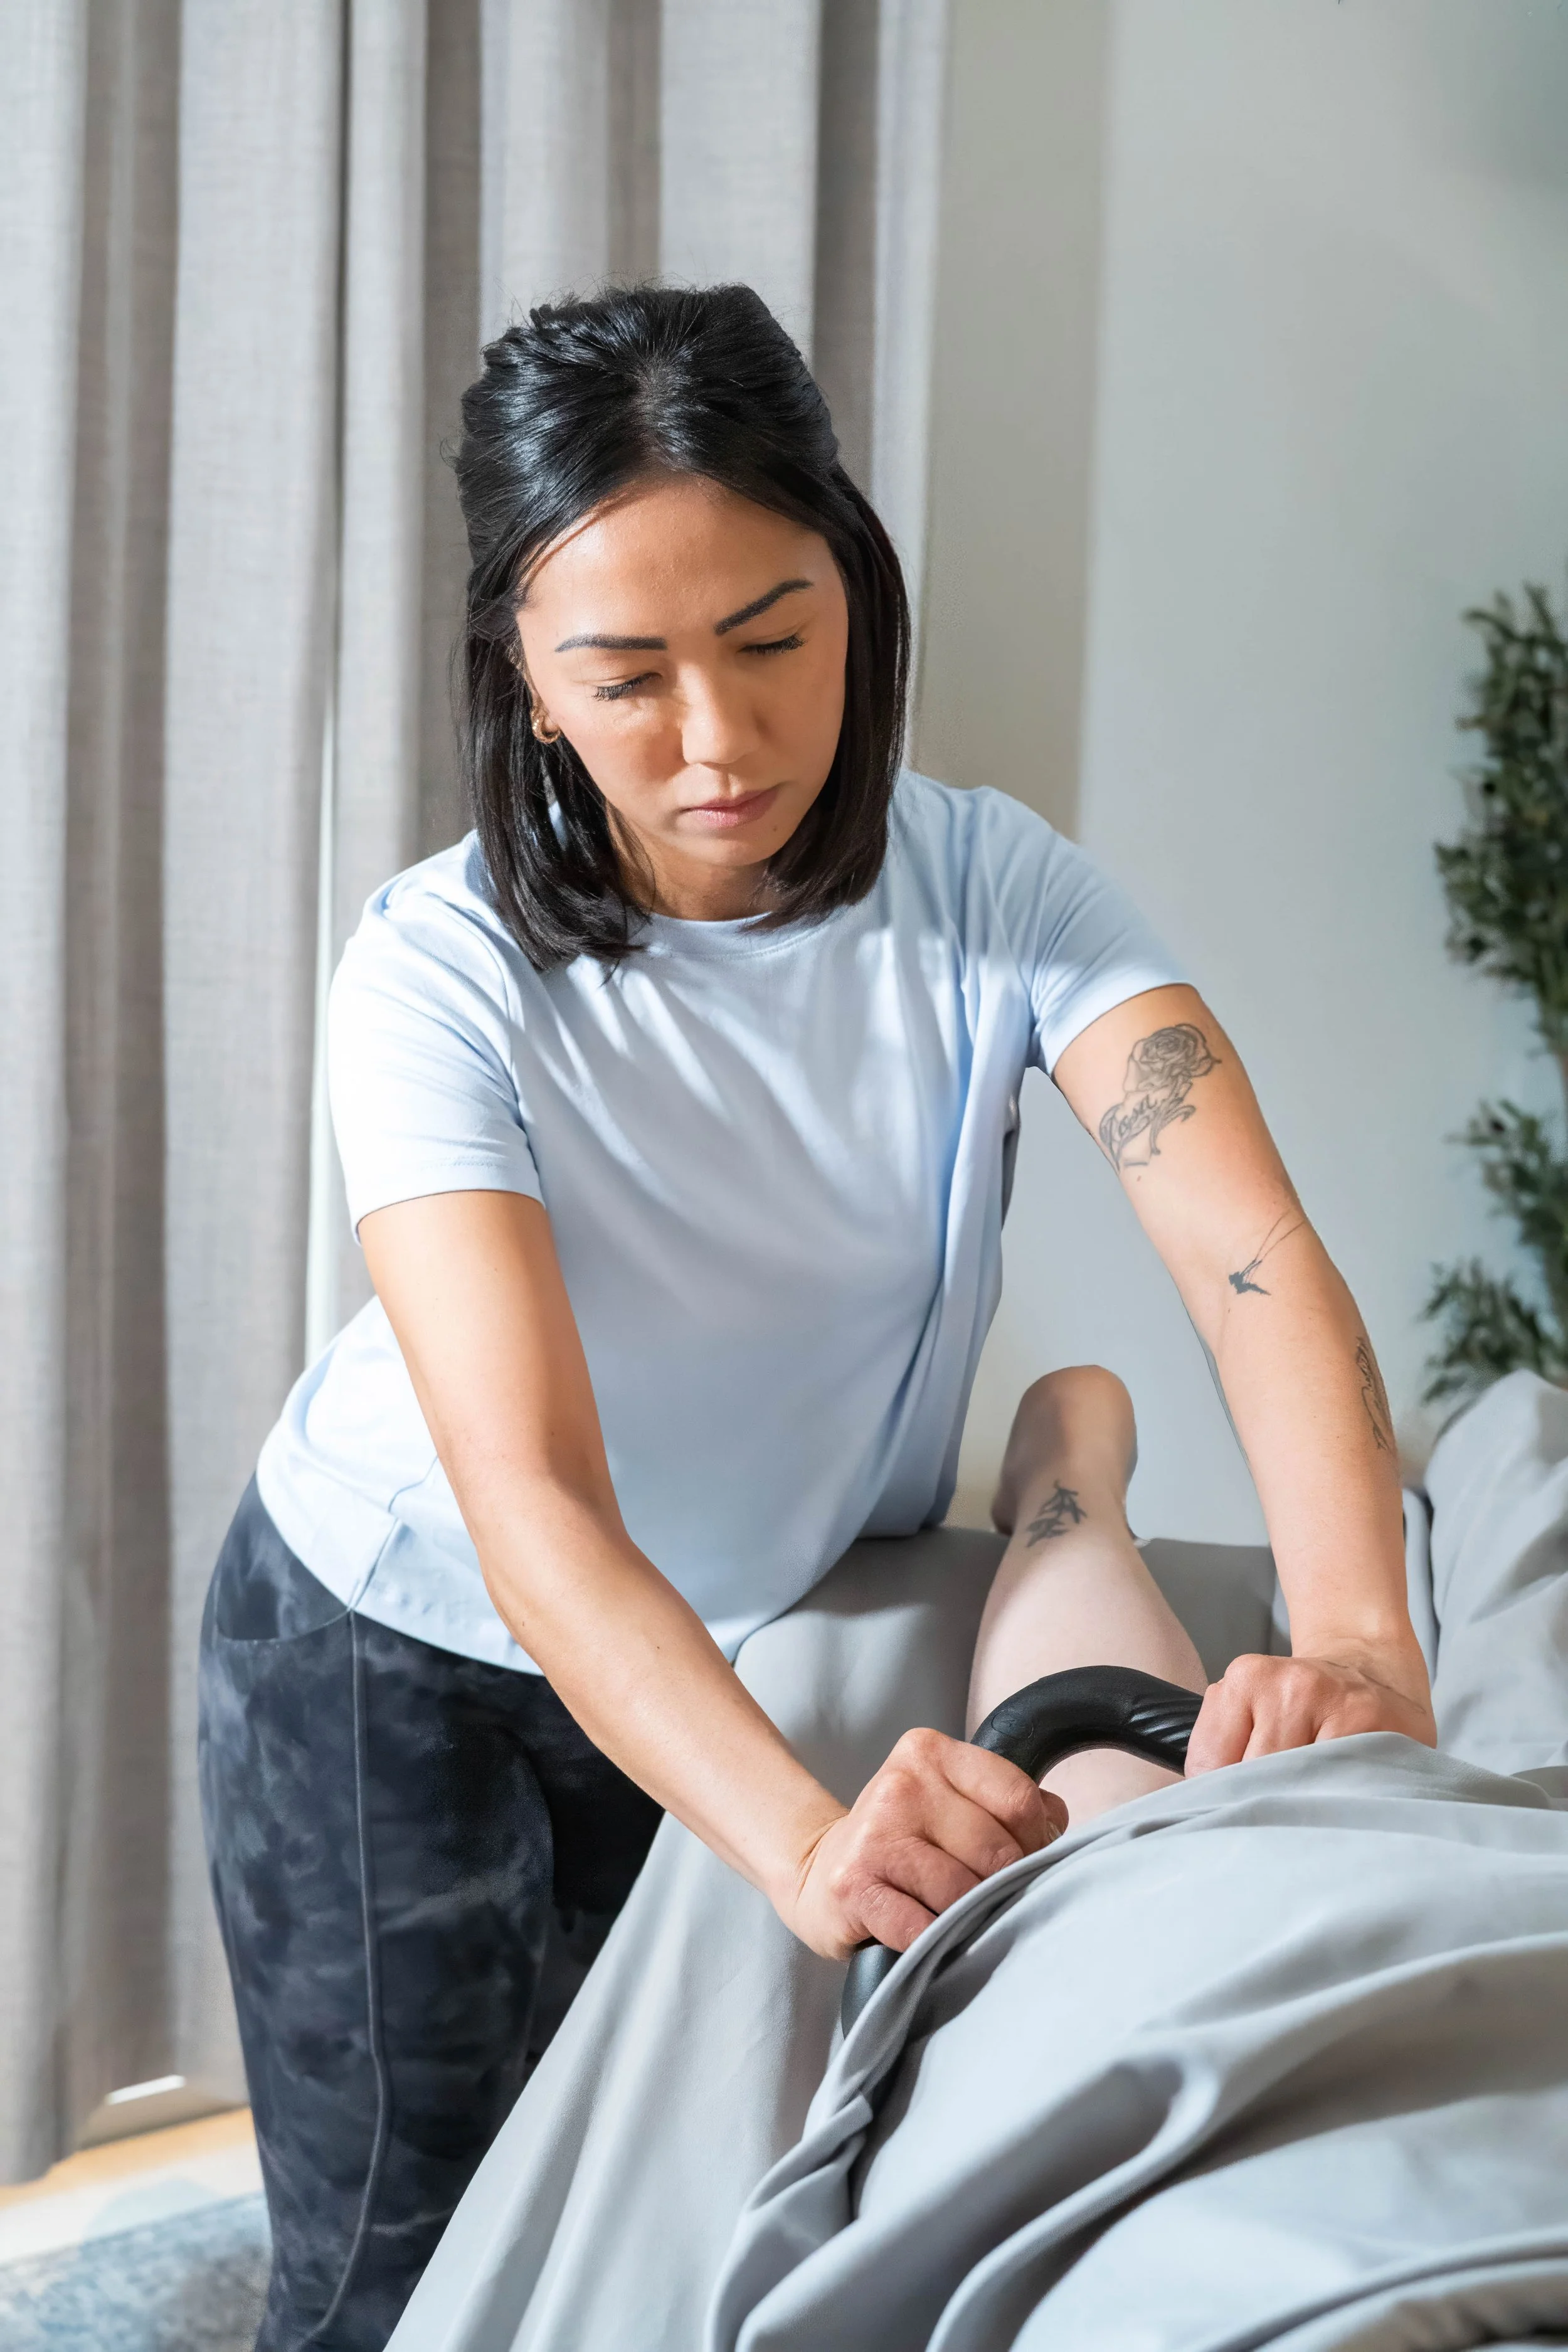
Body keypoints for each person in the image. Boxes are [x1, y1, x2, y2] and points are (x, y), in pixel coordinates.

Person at [198, 282, 1434, 2351]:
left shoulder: (1001, 894)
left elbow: (1250, 1258)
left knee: (665, 2240)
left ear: (855, 586)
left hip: (755, 1625)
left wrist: (1361, 1646)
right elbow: (533, 1498)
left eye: (773, 639)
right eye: (626, 671)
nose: (717, 740)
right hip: (398, 1658)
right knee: (406, 2284)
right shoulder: (436, 970)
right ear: (519, 666)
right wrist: (796, 1833)